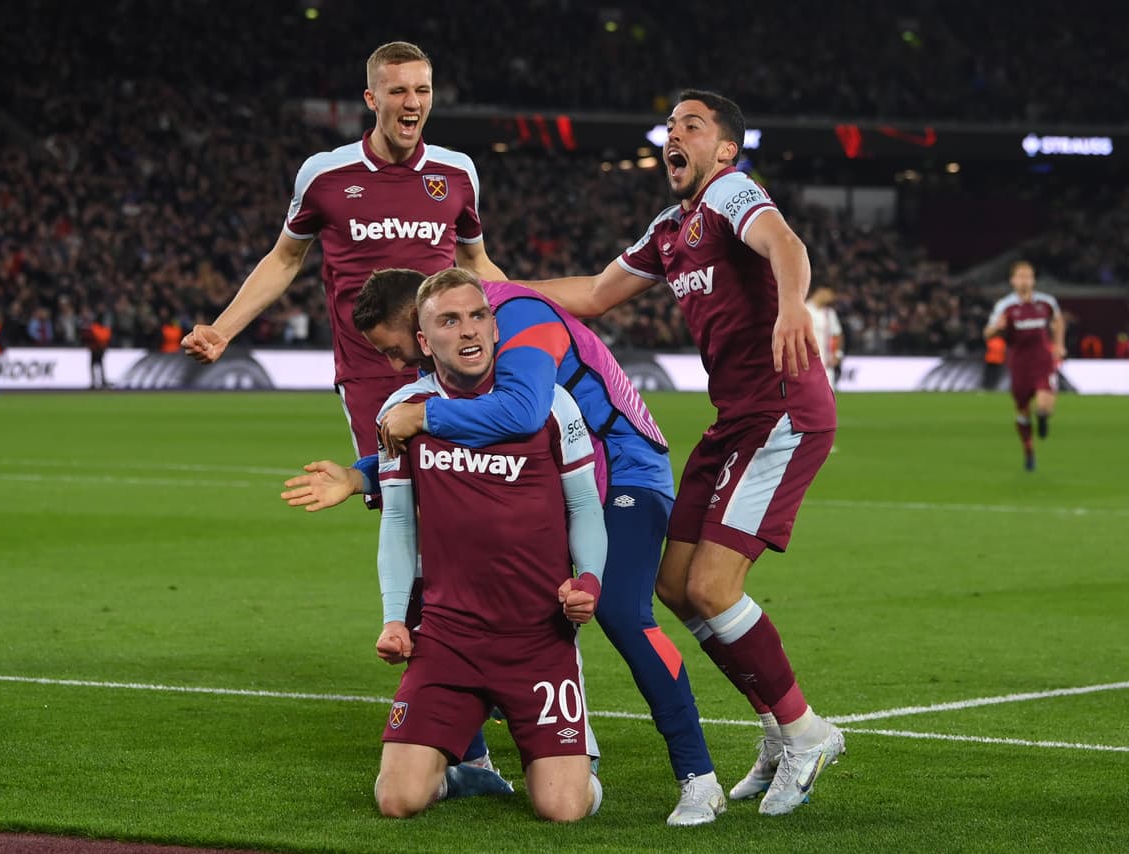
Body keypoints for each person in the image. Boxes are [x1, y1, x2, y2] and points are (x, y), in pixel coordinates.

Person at [284, 266, 726, 825]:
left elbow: (516, 415)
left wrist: (587, 574)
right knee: (447, 578)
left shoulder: (523, 339)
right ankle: (467, 755)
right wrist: (362, 475)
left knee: (612, 604)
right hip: (539, 491)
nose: (394, 363)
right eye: (450, 321)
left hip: (624, 466)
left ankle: (696, 776)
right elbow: (441, 441)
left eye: (391, 348)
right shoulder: (421, 394)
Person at [521, 90, 844, 816]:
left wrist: (794, 304)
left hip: (782, 413)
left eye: (691, 126)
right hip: (735, 420)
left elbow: (786, 245)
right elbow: (597, 295)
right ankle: (775, 728)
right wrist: (495, 289)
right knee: (674, 584)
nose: (674, 135)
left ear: (726, 149)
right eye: (669, 127)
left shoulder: (732, 191)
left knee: (713, 588)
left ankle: (806, 731)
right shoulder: (670, 228)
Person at [181, 40, 505, 473]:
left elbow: (477, 264)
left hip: (449, 369)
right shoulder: (325, 175)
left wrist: (537, 322)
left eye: (422, 91)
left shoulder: (458, 173)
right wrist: (223, 330)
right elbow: (285, 259)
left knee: (463, 502)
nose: (412, 103)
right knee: (396, 501)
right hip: (369, 371)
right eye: (398, 92)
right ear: (371, 99)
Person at [372, 272, 605, 822]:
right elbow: (400, 522)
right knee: (396, 800)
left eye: (478, 316)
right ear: (425, 343)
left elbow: (584, 507)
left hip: (537, 637)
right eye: (449, 321)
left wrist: (590, 578)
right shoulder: (401, 413)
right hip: (449, 636)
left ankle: (574, 766)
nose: (469, 330)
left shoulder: (550, 404)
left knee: (564, 809)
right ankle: (456, 773)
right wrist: (392, 617)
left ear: (495, 327)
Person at [983, 260, 1065, 471]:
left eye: (1028, 276)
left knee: (1044, 405)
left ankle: (1044, 418)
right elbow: (987, 333)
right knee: (1022, 410)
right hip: (1019, 364)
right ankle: (1028, 450)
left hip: (1043, 361)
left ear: (1033, 279)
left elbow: (1058, 321)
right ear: (1012, 281)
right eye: (1020, 276)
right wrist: (996, 328)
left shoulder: (1046, 303)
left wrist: (1058, 344)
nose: (1024, 280)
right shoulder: (1005, 306)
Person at [806, 285, 844, 391]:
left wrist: (837, 354)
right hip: (807, 364)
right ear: (821, 291)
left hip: (826, 364)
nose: (832, 298)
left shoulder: (829, 313)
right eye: (830, 293)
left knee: (828, 398)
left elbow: (836, 335)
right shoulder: (805, 309)